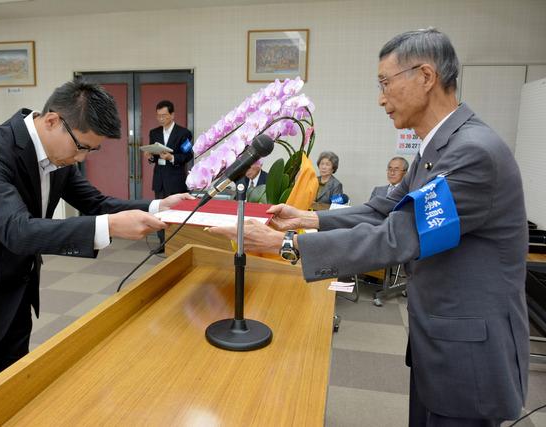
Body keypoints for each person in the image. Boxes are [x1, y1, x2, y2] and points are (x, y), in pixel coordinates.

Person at [211, 28, 528, 426]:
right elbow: (384, 210)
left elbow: (400, 235)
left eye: (385, 82)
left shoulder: (472, 154)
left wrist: (285, 244)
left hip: (470, 357)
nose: (380, 98)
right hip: (441, 342)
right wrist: (308, 218)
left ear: (426, 77)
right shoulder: (439, 148)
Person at [0, 80, 192, 403]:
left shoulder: (59, 158)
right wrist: (110, 227)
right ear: (51, 121)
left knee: (14, 395)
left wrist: (158, 205)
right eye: (81, 147)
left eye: (91, 150)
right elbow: (17, 230)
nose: (81, 158)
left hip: (15, 298)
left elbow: (96, 202)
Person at [146, 100, 193, 250]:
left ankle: (177, 243)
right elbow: (154, 156)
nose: (161, 119)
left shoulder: (184, 133)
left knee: (176, 212)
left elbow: (188, 155)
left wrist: (171, 158)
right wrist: (150, 156)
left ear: (172, 115)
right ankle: (162, 244)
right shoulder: (154, 133)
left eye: (164, 116)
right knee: (159, 211)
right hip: (159, 179)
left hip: (175, 179)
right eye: (158, 116)